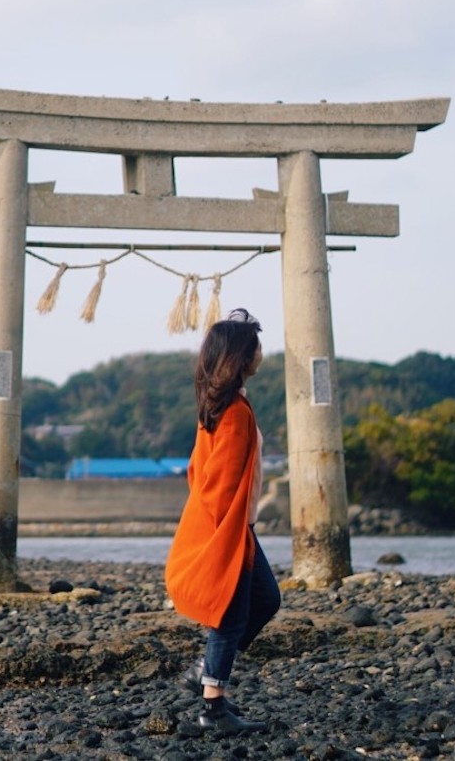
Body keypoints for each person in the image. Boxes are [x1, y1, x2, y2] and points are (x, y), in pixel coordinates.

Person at [164, 307, 281, 734]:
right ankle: (213, 709)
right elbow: (219, 481)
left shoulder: (226, 405)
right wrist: (221, 536)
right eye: (256, 347)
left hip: (237, 527)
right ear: (240, 357)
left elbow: (197, 469)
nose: (261, 354)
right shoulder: (231, 412)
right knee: (230, 615)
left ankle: (206, 668)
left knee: (267, 600)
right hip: (227, 530)